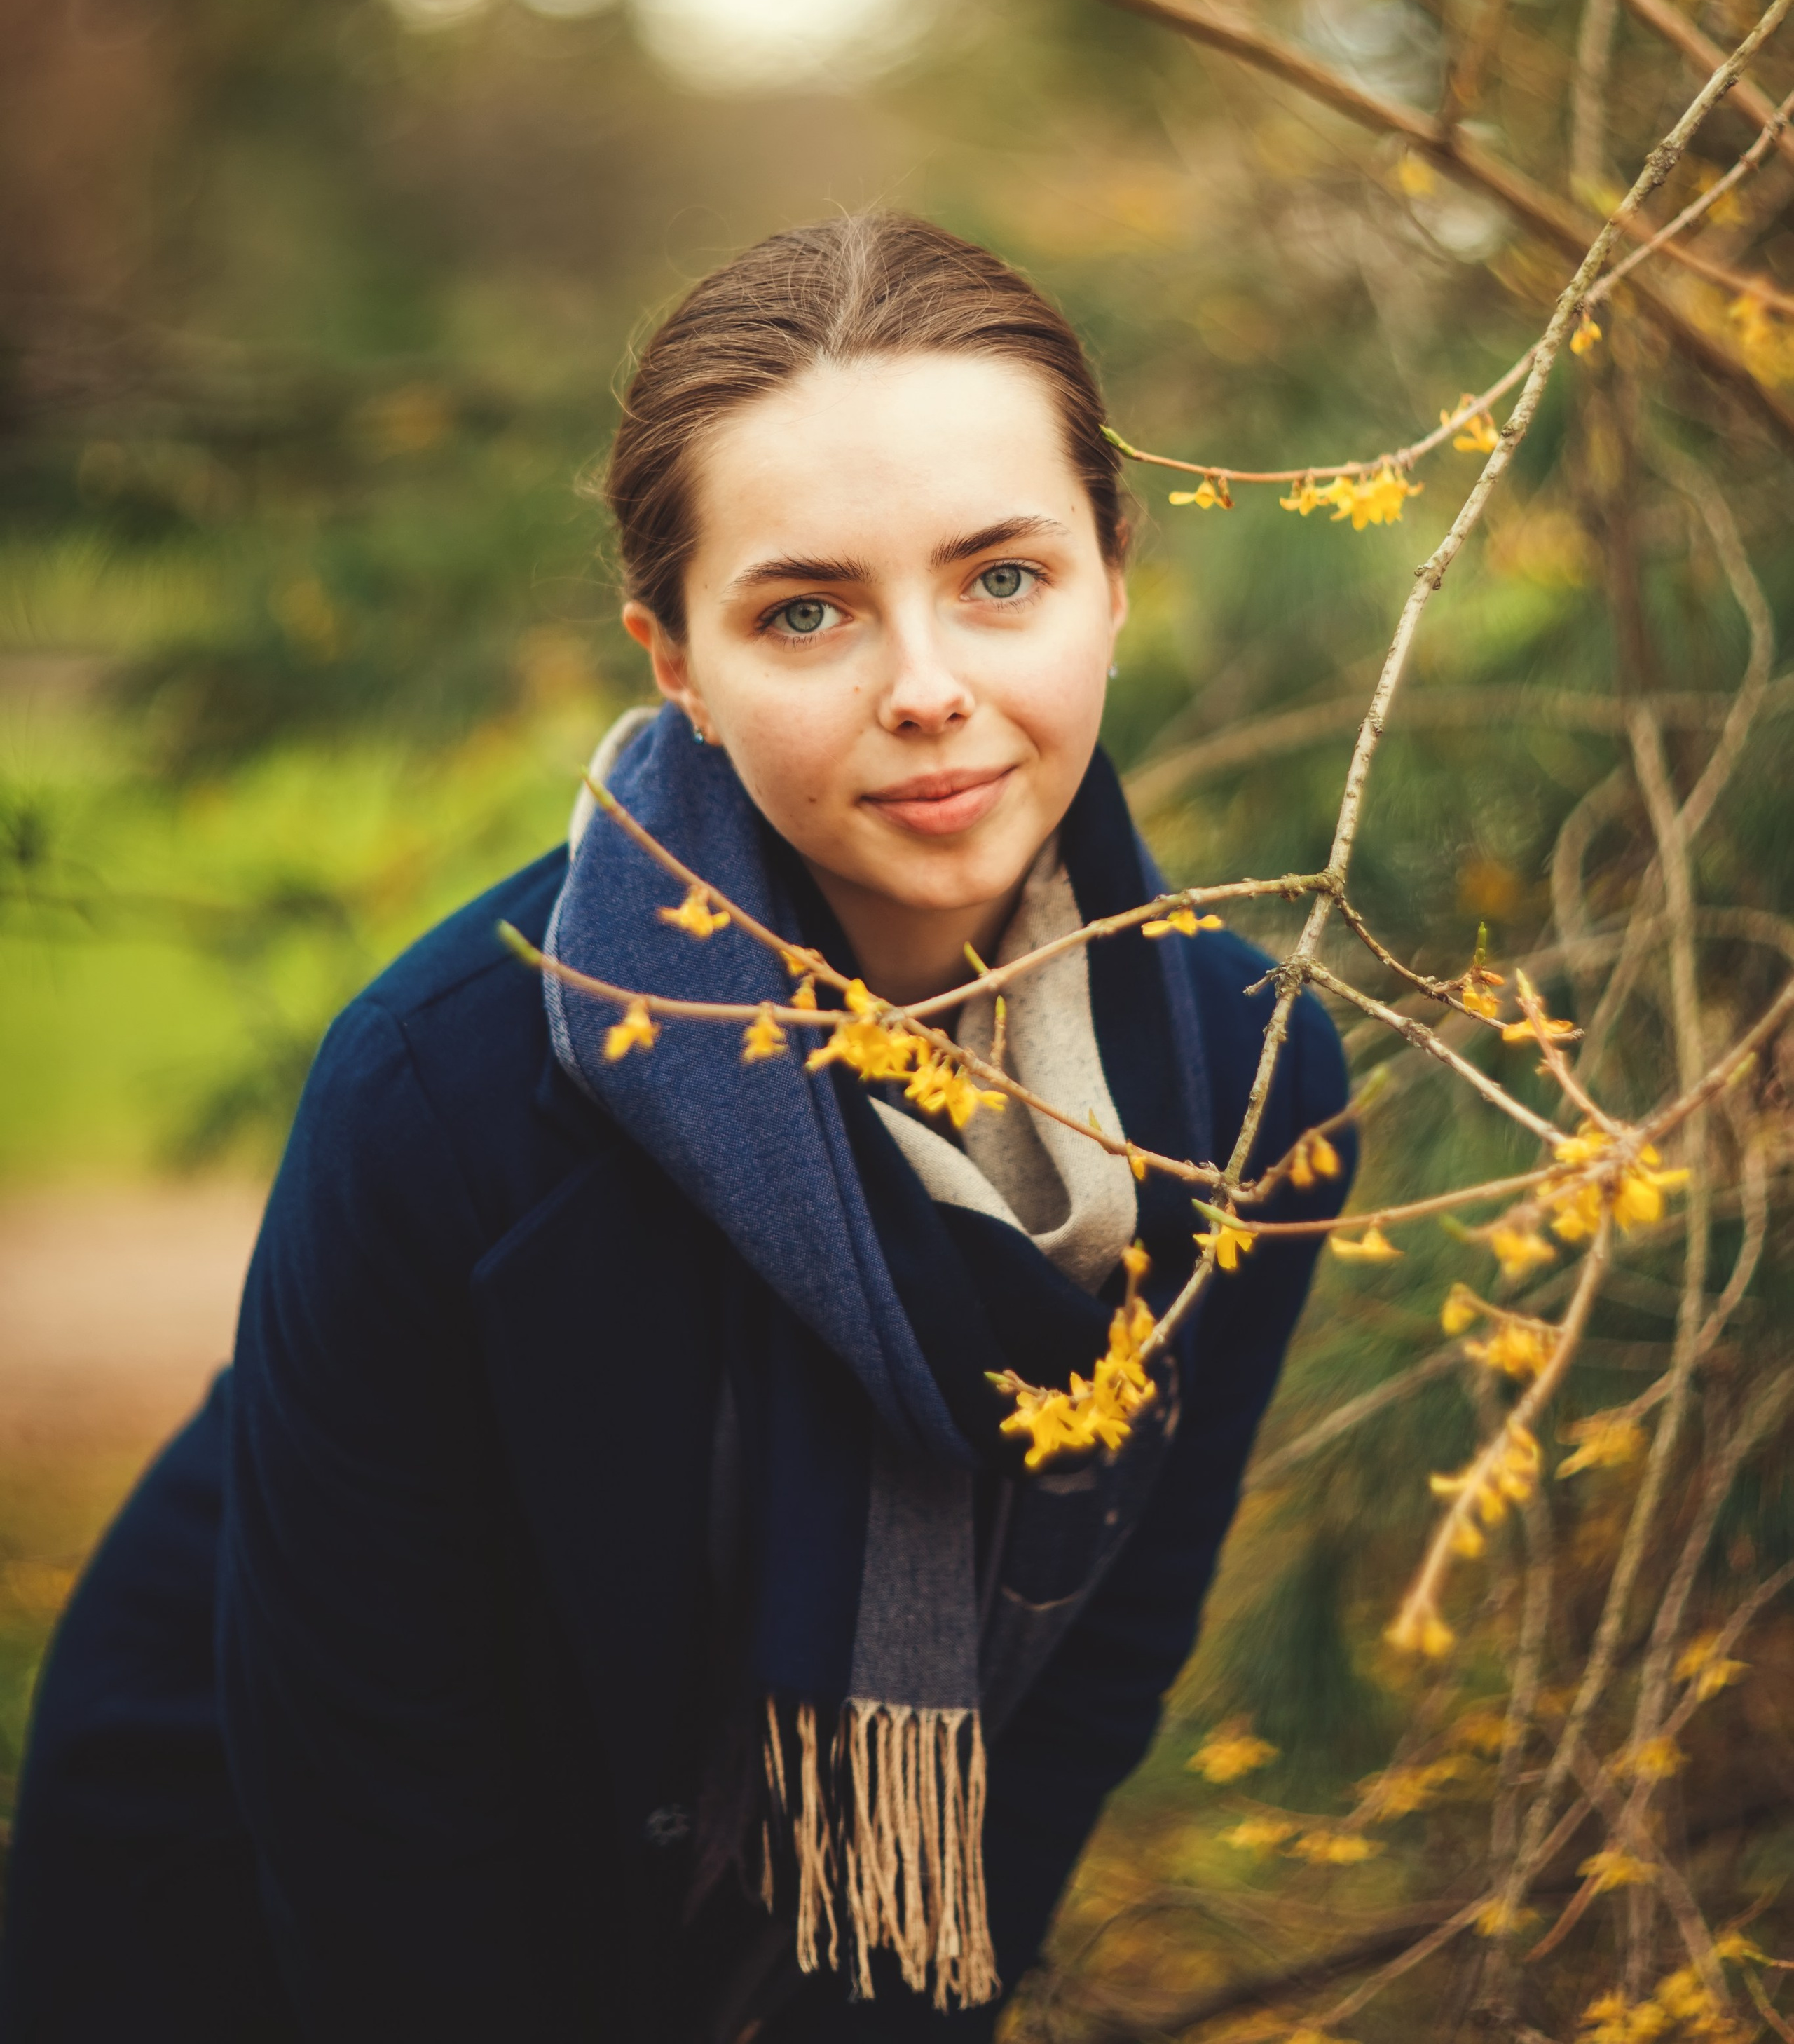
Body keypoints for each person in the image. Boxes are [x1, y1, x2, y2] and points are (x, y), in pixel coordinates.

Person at [0, 212, 1352, 2043]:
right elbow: (375, 1798)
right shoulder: (447, 1095)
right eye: (807, 610)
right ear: (674, 660)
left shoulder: (1249, 1089)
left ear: (1117, 576)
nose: (927, 685)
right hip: (251, 1915)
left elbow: (1097, 1663)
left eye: (1001, 577)